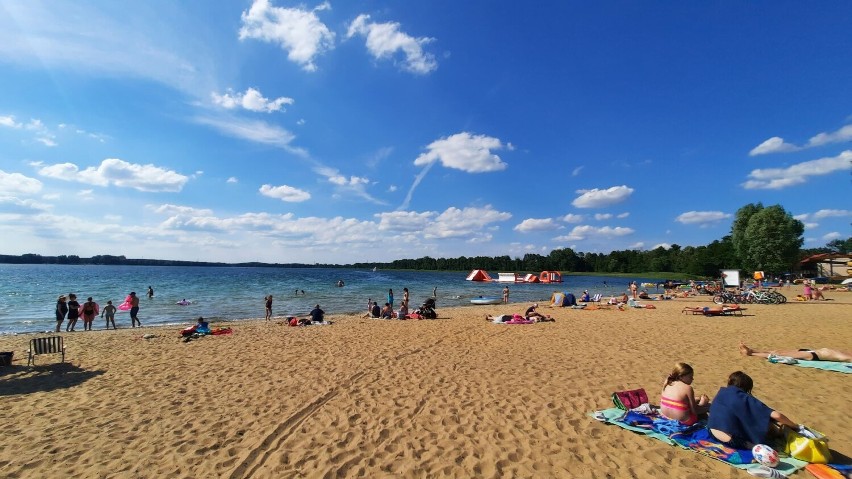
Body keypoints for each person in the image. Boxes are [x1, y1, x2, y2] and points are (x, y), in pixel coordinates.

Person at [707, 371, 800, 449]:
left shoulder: (722, 392)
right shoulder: (745, 398)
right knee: (768, 425)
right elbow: (777, 415)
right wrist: (795, 426)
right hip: (732, 440)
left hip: (711, 431)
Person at [740, 343, 851, 363]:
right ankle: (753, 350)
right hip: (811, 350)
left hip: (813, 355)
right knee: (780, 351)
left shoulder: (846, 357)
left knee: (780, 355)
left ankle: (751, 353)